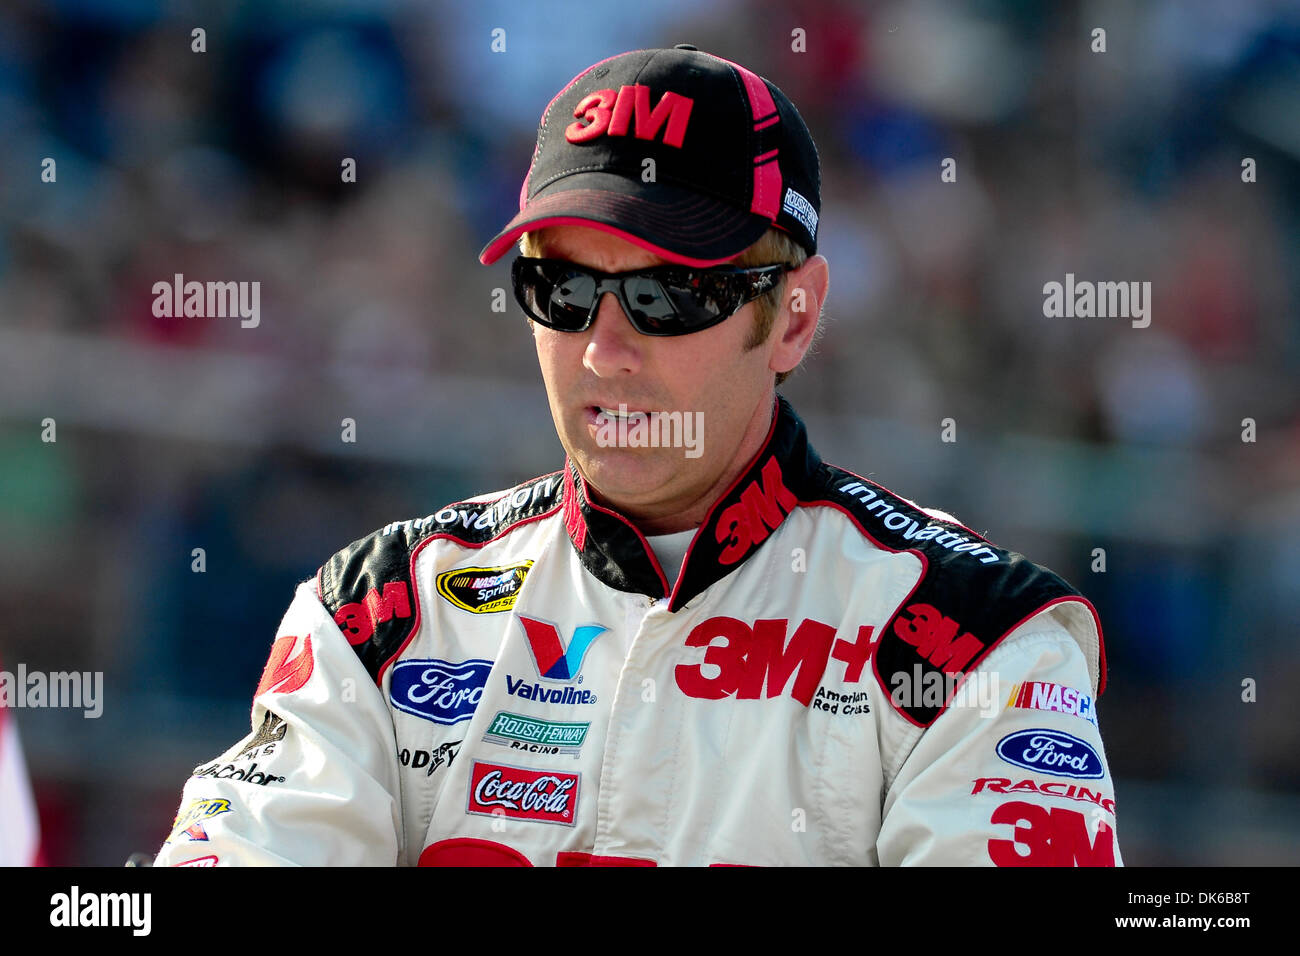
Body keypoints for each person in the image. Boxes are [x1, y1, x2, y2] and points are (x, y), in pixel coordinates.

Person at [154, 45, 1120, 866]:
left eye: (670, 294)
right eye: (563, 289)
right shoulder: (380, 613)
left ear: (795, 316)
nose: (603, 350)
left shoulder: (976, 642)